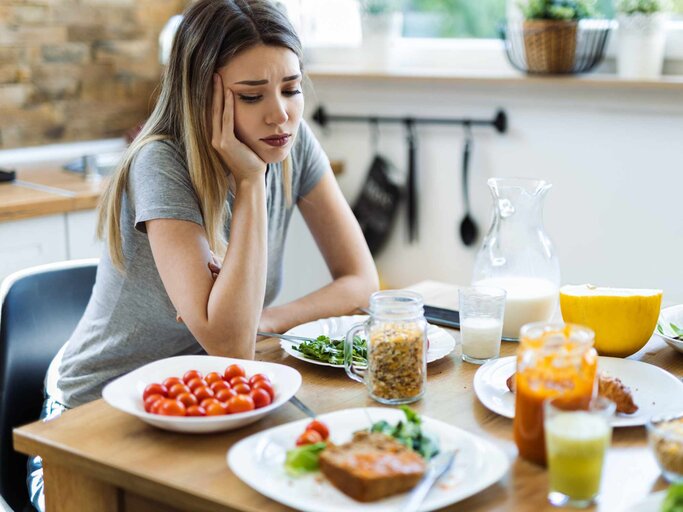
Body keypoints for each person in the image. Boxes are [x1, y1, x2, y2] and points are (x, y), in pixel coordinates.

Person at [26, 0, 378, 509]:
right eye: (252, 95)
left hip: (203, 398)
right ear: (202, 94)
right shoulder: (160, 162)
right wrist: (251, 182)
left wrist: (267, 317)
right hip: (92, 422)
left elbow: (361, 282)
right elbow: (231, 346)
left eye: (292, 88)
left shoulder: (291, 141)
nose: (281, 113)